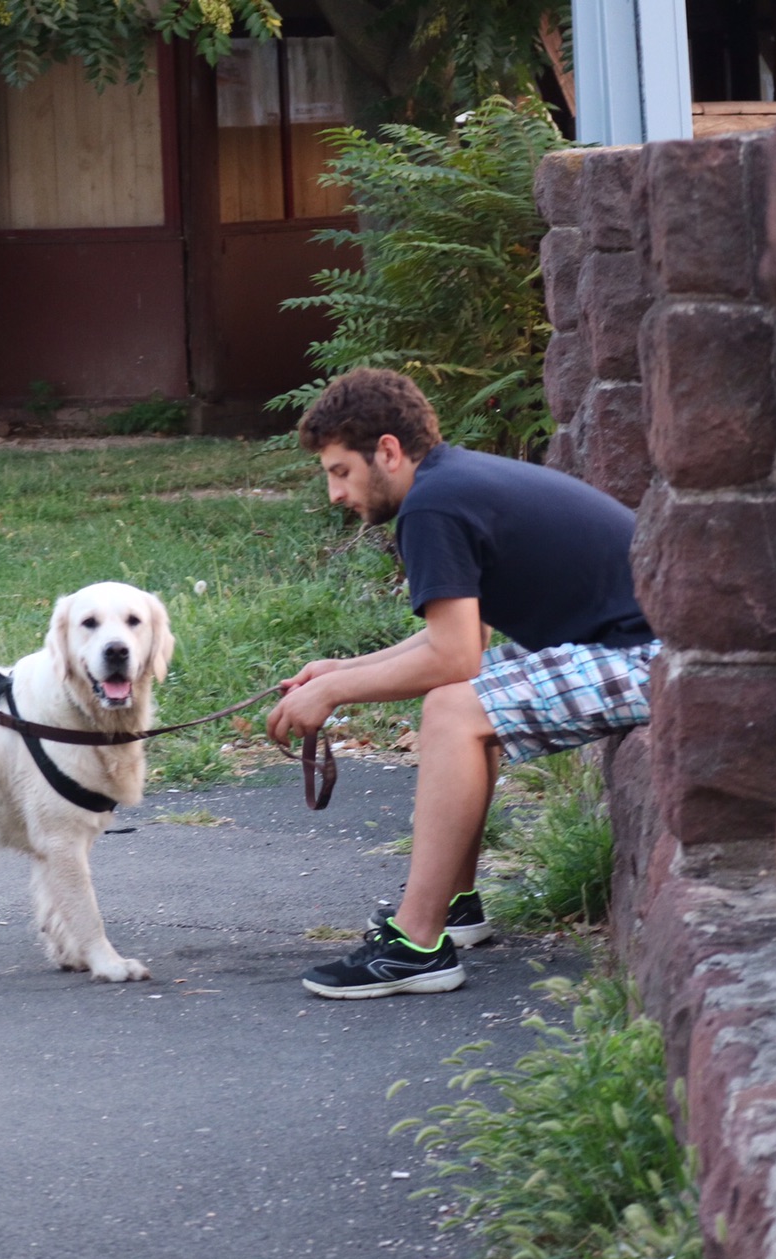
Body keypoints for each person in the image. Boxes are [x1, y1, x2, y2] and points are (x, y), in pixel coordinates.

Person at [267, 367, 658, 999]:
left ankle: (417, 945)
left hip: (654, 658)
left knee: (454, 707)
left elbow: (454, 662)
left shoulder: (431, 506)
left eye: (340, 471)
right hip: (638, 646)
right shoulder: (450, 483)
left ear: (387, 452)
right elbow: (466, 638)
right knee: (467, 696)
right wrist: (343, 671)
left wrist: (334, 695)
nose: (335, 493)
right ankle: (453, 907)